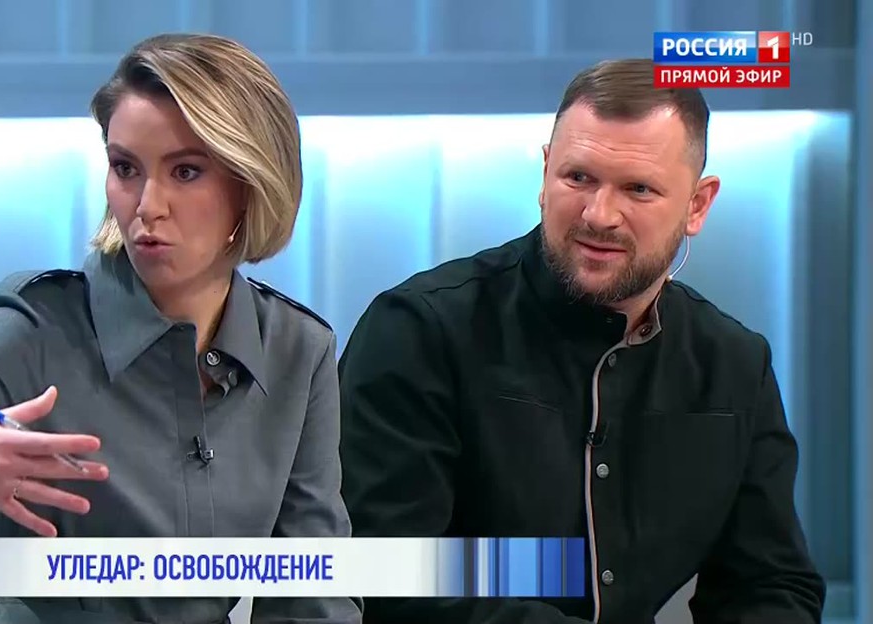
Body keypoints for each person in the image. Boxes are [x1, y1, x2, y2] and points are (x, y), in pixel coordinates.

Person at [0, 33, 362, 624]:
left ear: (249, 183)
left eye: (186, 171)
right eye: (125, 168)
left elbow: (313, 591)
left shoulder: (298, 350)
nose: (147, 205)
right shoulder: (38, 322)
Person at [337, 58, 825, 623]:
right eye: (579, 178)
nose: (599, 214)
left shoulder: (734, 363)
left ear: (697, 205)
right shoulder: (419, 330)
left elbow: (770, 583)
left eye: (638, 189)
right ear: (545, 174)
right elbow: (382, 577)